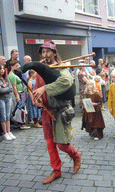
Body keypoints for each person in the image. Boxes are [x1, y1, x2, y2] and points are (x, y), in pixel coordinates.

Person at [32, 40, 81, 184]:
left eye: (48, 51)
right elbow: (37, 89)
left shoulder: (61, 68)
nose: (45, 54)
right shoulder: (41, 70)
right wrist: (37, 100)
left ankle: (76, 155)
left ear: (54, 53)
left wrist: (46, 89)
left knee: (62, 144)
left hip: (61, 111)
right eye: (43, 52)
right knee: (50, 144)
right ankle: (56, 170)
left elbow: (66, 81)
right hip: (47, 112)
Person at [0, 64, 16, 141]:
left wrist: (5, 89)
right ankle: (5, 132)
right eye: (0, 69)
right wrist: (7, 89)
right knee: (3, 116)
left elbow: (11, 88)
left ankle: (9, 131)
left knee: (8, 115)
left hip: (8, 98)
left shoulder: (6, 78)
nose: (2, 70)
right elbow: (0, 90)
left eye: (3, 69)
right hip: (1, 99)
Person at [8, 60, 30, 129]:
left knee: (20, 108)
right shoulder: (11, 75)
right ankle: (21, 123)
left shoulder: (14, 74)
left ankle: (17, 123)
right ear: (12, 67)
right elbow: (14, 87)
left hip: (21, 92)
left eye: (18, 66)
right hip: (19, 93)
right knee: (20, 109)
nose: (18, 67)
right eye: (16, 66)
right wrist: (17, 97)